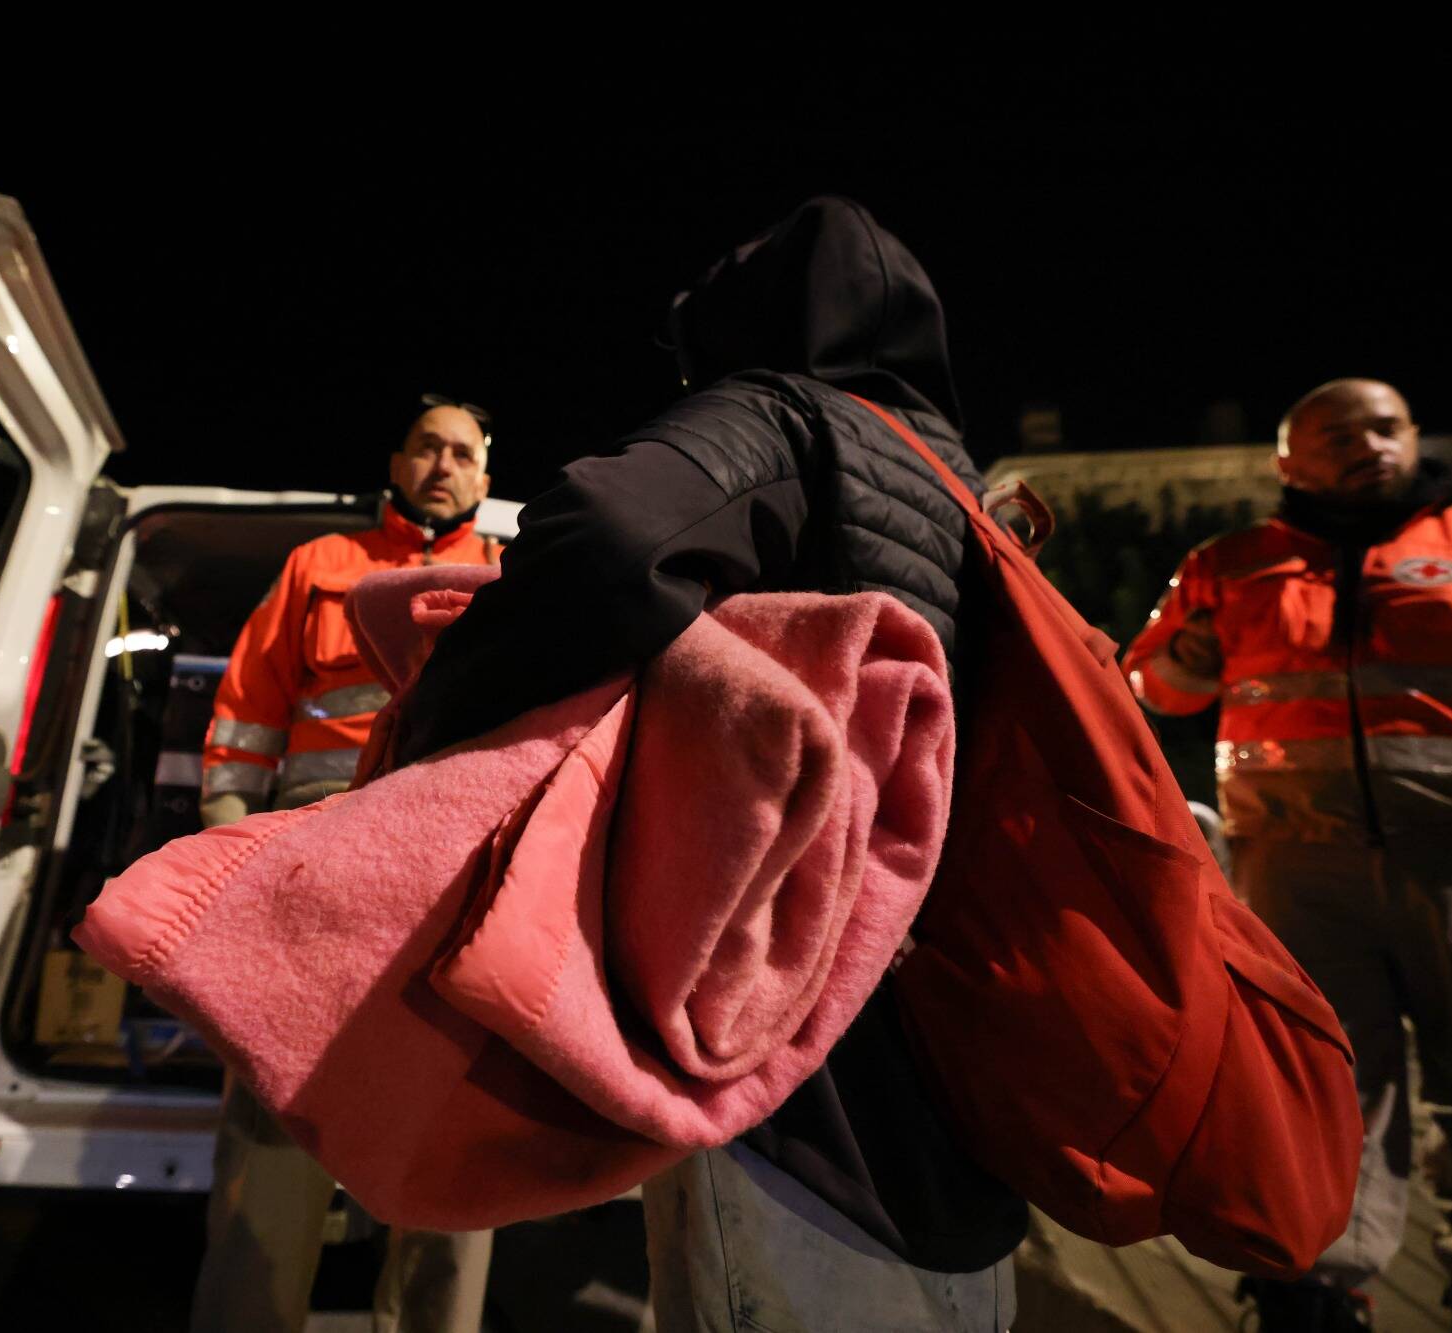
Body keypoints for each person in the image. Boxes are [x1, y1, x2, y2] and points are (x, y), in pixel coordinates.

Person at [393, 197, 1026, 1333]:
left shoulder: (780, 413)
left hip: (772, 999)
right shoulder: (965, 487)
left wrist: (442, 730)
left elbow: (598, 533)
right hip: (941, 1008)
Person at [1121, 379, 1452, 1332]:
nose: (1366, 444)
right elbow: (1152, 687)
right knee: (1330, 1083)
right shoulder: (1229, 564)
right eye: (1336, 434)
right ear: (1287, 462)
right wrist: (1187, 654)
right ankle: (1319, 1292)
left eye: (1384, 427)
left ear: (1414, 435)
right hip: (1294, 863)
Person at [189, 398, 500, 1333]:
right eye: (426, 447)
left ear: (485, 477)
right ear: (396, 464)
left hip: (456, 878)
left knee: (454, 1138)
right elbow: (246, 715)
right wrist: (233, 854)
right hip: (309, 875)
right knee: (275, 1116)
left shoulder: (512, 576)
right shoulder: (318, 564)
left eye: (462, 452)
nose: (442, 464)